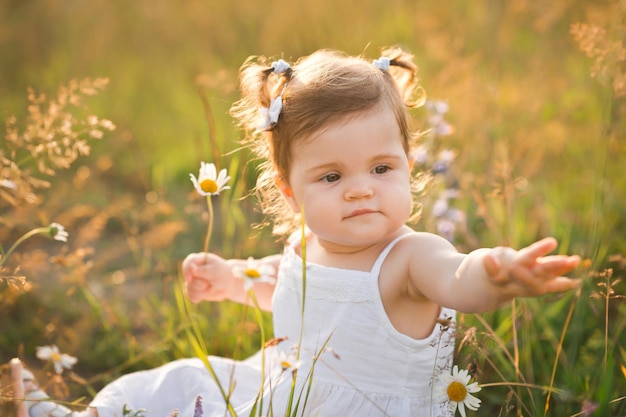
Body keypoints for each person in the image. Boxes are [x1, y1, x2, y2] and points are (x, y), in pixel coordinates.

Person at [6, 47, 580, 417]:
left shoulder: (410, 257)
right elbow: (291, 294)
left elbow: (459, 279)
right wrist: (234, 280)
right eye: (332, 176)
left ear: (408, 162)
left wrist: (499, 271)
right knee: (176, 383)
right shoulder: (307, 248)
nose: (361, 189)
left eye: (382, 168)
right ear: (289, 191)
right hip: (285, 393)